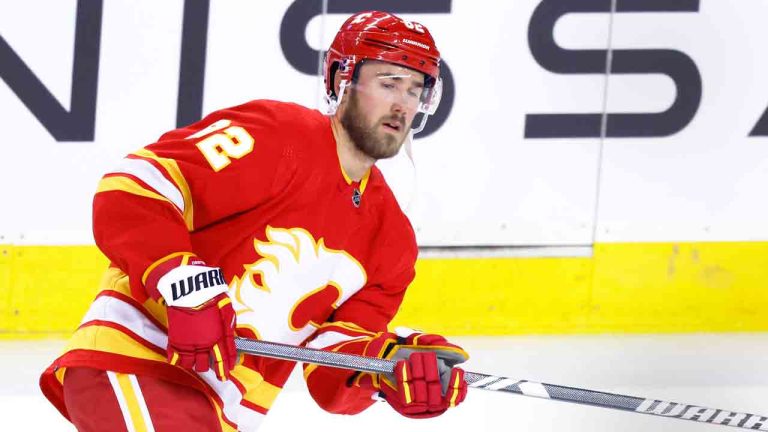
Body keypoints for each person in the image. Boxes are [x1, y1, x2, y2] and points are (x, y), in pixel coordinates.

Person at [40, 10, 469, 431]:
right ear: (342, 79)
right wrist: (184, 285)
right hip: (140, 360)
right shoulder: (278, 136)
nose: (401, 103)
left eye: (415, 90)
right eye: (388, 82)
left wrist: (388, 368)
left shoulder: (392, 242)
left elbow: (331, 366)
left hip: (221, 414)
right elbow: (134, 187)